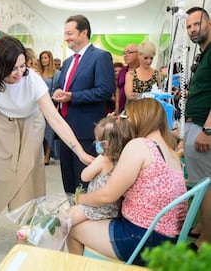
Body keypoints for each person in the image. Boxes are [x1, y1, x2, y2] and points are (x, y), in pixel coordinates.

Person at [0, 36, 93, 259]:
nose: (19, 72)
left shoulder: (33, 80)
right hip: (2, 123)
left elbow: (55, 119)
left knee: (27, 181)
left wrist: (80, 151)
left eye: (22, 65)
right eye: (13, 68)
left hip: (31, 124)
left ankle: (24, 235)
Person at [67, 98, 187, 265]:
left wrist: (79, 198)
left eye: (127, 117)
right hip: (168, 240)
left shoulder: (139, 145)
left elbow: (107, 196)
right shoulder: (172, 152)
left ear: (138, 117)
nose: (125, 122)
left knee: (72, 229)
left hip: (141, 239)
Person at [53, 14, 115, 194]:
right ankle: (72, 215)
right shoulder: (67, 62)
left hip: (86, 130)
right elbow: (61, 87)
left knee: (85, 180)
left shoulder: (100, 56)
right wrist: (57, 92)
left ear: (84, 32)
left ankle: (85, 216)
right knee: (68, 180)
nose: (66, 38)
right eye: (65, 34)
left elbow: (104, 90)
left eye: (70, 33)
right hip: (65, 129)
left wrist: (73, 97)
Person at [61, 116, 134, 229]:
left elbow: (84, 176)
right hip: (113, 211)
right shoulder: (124, 160)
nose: (95, 143)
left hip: (94, 208)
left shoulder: (104, 159)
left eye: (97, 140)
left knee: (63, 220)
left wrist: (92, 165)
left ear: (105, 144)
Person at [184, 6, 211, 250]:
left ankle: (207, 241)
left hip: (205, 126)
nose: (193, 29)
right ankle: (203, 225)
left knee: (206, 184)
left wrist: (209, 130)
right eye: (189, 26)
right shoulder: (203, 54)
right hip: (196, 124)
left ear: (209, 23)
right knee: (199, 183)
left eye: (197, 24)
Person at [37, 50, 61, 164]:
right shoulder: (38, 73)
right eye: (42, 58)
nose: (43, 60)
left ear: (49, 59)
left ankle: (47, 156)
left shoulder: (56, 74)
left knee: (50, 131)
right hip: (37, 106)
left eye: (45, 58)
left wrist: (56, 106)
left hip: (51, 104)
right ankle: (40, 155)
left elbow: (58, 89)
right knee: (39, 131)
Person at [115, 44, 139, 114]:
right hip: (121, 110)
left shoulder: (142, 71)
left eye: (129, 52)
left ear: (138, 54)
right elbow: (118, 89)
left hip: (136, 110)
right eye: (124, 53)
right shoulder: (123, 70)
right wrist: (117, 107)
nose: (125, 55)